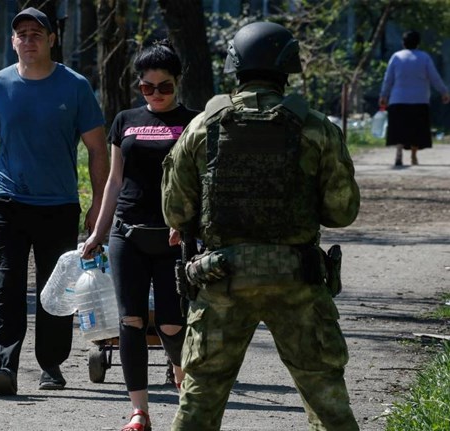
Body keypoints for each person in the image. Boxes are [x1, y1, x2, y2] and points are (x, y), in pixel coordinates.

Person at [162, 22, 361, 430]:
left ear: (234, 65)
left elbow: (176, 213)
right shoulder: (317, 128)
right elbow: (342, 212)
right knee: (328, 403)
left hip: (222, 280)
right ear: (289, 66)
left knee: (198, 404)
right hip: (297, 281)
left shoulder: (202, 126)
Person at [0, 7, 109, 396]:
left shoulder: (75, 86)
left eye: (36, 34)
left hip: (59, 204)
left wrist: (97, 203)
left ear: (51, 39)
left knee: (55, 287)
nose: (28, 40)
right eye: (21, 34)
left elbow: (98, 149)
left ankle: (52, 364)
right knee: (7, 283)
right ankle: (5, 365)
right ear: (13, 42)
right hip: (6, 202)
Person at [81, 40, 197, 431]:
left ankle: (184, 378)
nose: (156, 94)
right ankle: (139, 412)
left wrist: (190, 224)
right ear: (139, 87)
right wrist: (98, 231)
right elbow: (114, 181)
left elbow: (201, 183)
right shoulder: (125, 120)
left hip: (174, 238)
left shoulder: (194, 122)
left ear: (178, 83)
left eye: (164, 86)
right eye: (148, 87)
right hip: (127, 234)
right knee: (129, 321)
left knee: (170, 323)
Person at [378, 30, 450, 166]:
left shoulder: (396, 57)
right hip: (419, 100)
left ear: (403, 43)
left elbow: (388, 79)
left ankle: (398, 153)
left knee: (399, 128)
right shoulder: (424, 57)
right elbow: (434, 77)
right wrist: (444, 92)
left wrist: (383, 95)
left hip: (398, 99)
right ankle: (413, 156)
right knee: (416, 129)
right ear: (418, 43)